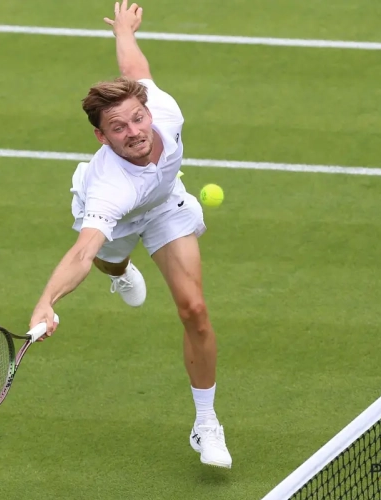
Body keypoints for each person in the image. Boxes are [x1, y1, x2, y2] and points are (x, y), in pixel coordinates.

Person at [28, 0, 232, 469]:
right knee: (106, 260)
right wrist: (48, 302)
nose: (134, 131)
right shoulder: (108, 190)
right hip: (117, 221)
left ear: (147, 110)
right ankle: (120, 270)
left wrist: (124, 30)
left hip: (164, 206)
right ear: (102, 138)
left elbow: (134, 68)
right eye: (118, 127)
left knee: (195, 310)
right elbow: (82, 252)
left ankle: (206, 424)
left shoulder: (165, 111)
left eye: (137, 118)